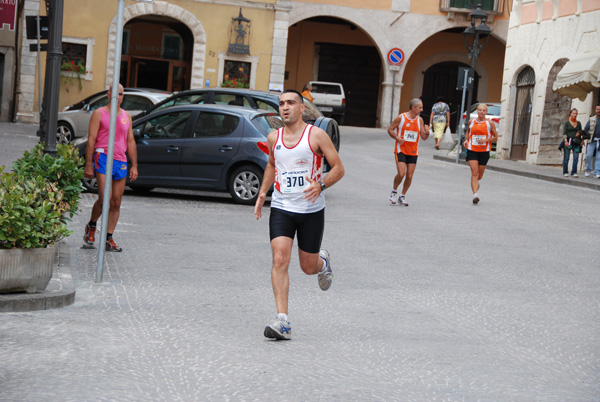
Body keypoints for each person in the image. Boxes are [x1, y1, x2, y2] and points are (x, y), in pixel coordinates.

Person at [254, 89, 344, 340]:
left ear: (302, 108)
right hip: (282, 207)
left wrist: (321, 184)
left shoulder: (316, 135)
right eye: (281, 103)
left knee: (307, 267)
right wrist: (262, 194)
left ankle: (322, 262)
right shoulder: (274, 137)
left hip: (311, 210)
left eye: (291, 103)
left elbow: (338, 168)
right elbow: (272, 164)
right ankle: (282, 321)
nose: (285, 107)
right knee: (279, 259)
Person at [83, 84, 138, 252]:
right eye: (116, 94)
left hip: (120, 160)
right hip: (103, 157)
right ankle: (92, 225)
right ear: (108, 94)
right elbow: (91, 139)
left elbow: (130, 141)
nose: (119, 97)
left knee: (116, 202)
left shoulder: (126, 116)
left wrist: (134, 165)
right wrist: (88, 164)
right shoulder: (99, 113)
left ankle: (108, 237)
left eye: (121, 94)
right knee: (104, 197)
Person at [387, 98, 430, 206]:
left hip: (413, 151)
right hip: (401, 150)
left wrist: (427, 132)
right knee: (401, 173)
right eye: (420, 107)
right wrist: (397, 138)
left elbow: (423, 137)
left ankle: (402, 196)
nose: (422, 109)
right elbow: (390, 129)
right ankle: (394, 191)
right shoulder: (401, 118)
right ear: (413, 108)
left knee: (409, 176)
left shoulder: (419, 120)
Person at [462, 103, 498, 205]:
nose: (481, 112)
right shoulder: (471, 122)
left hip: (484, 151)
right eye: (479, 110)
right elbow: (468, 132)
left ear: (486, 112)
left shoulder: (490, 123)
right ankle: (475, 195)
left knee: (479, 175)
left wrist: (486, 140)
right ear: (477, 111)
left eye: (483, 110)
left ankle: (476, 183)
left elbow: (496, 138)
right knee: (474, 172)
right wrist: (466, 139)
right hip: (472, 149)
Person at [561, 108, 583, 178]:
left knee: (576, 157)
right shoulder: (567, 123)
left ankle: (574, 172)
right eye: (573, 113)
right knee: (566, 157)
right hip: (568, 141)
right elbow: (564, 133)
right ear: (570, 114)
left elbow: (581, 133)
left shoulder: (579, 123)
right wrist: (565, 141)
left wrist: (581, 140)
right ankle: (565, 172)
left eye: (576, 113)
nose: (575, 115)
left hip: (576, 142)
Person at [583, 105, 600, 178]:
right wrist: (582, 139)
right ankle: (587, 169)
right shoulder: (592, 119)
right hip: (592, 140)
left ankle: (597, 172)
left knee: (599, 157)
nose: (598, 110)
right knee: (589, 155)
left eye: (599, 109)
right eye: (597, 109)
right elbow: (586, 129)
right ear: (595, 110)